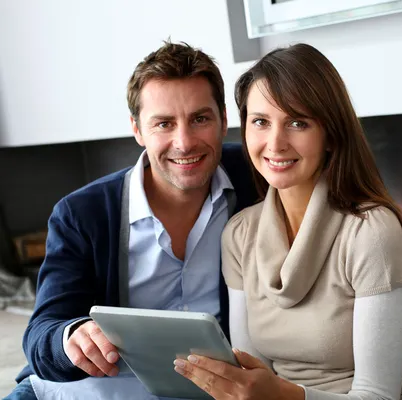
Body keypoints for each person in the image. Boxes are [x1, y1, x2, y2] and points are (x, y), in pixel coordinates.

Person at [173, 43, 402, 399]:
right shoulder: (239, 235)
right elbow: (253, 370)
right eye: (260, 122)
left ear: (330, 134)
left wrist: (284, 395)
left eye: (297, 123)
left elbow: (377, 395)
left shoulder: (371, 232)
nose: (275, 143)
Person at [3, 41, 256, 400]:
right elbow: (42, 332)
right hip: (88, 391)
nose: (184, 142)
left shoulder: (258, 178)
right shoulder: (82, 213)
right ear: (137, 130)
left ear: (223, 121)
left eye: (200, 119)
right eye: (163, 124)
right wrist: (72, 337)